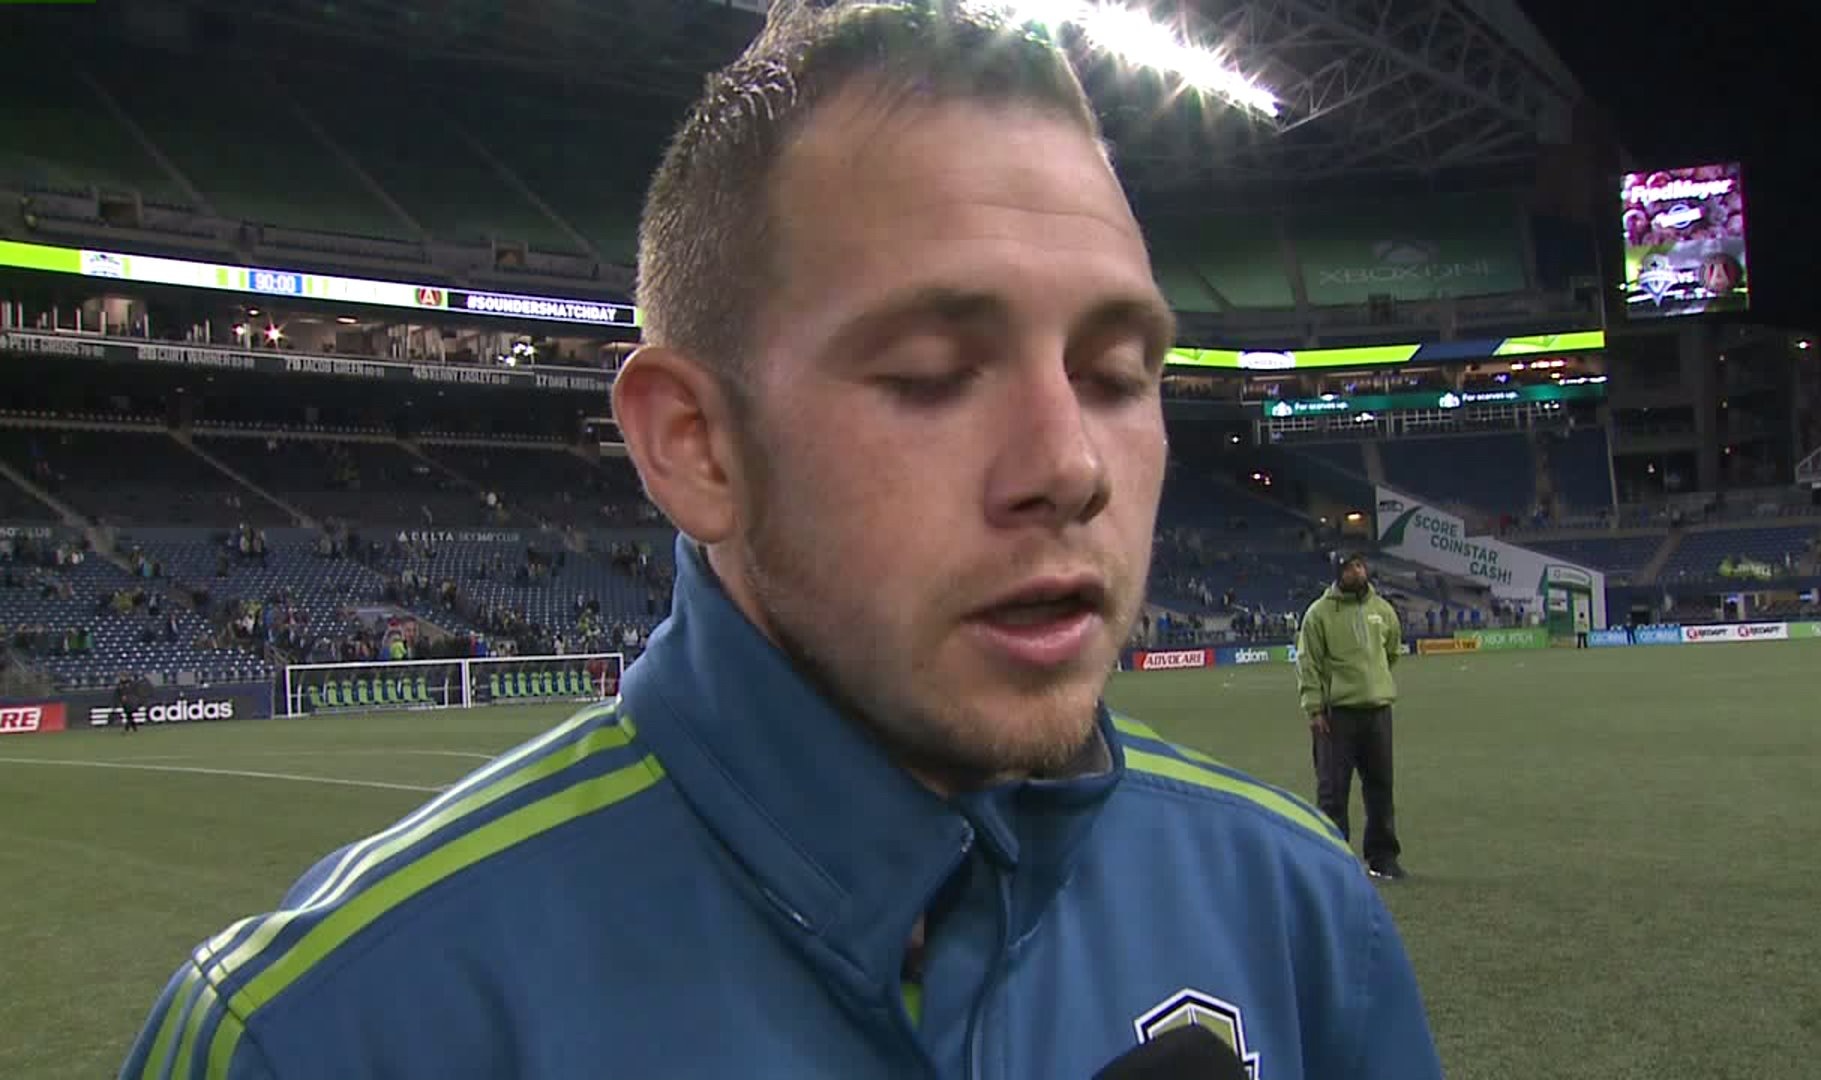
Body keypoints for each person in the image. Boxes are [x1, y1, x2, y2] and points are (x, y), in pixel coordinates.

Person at [119, 3, 1442, 1077]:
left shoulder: (1296, 912)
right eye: (931, 374)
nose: (1071, 467)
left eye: (1113, 375)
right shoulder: (324, 1035)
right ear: (696, 447)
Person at [1298, 552, 1408, 881]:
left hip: (1377, 710)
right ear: (1338, 572)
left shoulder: (1382, 610)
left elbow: (1392, 650)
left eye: (1360, 565)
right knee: (1333, 792)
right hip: (1337, 715)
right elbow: (1308, 663)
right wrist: (1315, 708)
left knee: (1381, 788)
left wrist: (1375, 683)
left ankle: (1383, 858)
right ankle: (1333, 862)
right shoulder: (1318, 614)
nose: (1357, 572)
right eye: (1349, 567)